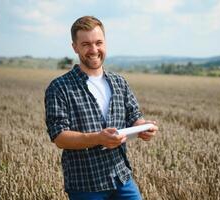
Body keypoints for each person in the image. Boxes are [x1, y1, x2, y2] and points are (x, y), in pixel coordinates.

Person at [44, 16, 158, 200]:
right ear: (75, 47)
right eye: (86, 44)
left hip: (121, 178)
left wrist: (144, 127)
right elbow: (60, 137)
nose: (94, 50)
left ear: (105, 43)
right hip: (86, 184)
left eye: (98, 43)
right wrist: (98, 138)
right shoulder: (59, 87)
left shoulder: (119, 82)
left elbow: (134, 115)